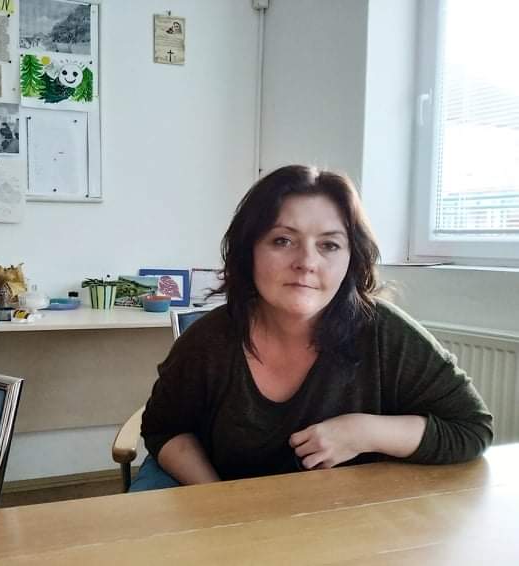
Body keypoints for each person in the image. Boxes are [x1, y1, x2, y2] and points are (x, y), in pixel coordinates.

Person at [133, 165, 493, 491]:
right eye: (282, 240)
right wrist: (216, 497)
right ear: (249, 251)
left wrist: (364, 432)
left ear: (351, 258)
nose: (306, 262)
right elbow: (164, 428)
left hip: (337, 519)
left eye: (329, 245)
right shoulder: (208, 341)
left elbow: (472, 427)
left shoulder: (384, 333)